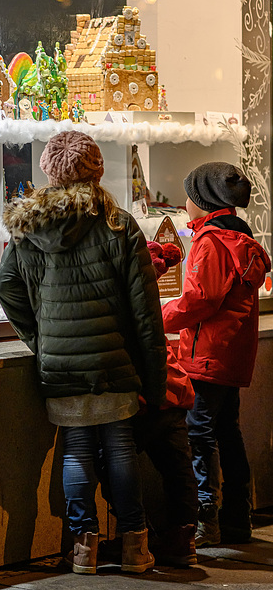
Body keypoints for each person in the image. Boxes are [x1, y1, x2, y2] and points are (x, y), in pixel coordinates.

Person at [0, 130, 167, 575]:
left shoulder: (29, 227)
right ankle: (134, 547)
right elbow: (146, 312)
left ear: (49, 172)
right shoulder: (118, 223)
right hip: (114, 361)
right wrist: (155, 378)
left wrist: (39, 338)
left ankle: (83, 552)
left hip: (62, 364)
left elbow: (5, 284)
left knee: (75, 450)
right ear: (97, 170)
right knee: (121, 449)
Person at [162, 162, 271, 547]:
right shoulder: (241, 238)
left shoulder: (212, 242)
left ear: (204, 201)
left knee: (199, 434)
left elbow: (199, 300)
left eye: (189, 196)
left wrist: (157, 316)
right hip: (232, 355)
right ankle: (237, 517)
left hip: (206, 355)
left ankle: (206, 520)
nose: (184, 204)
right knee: (229, 432)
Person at [97, 241, 198, 568]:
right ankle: (182, 538)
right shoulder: (144, 285)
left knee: (111, 460)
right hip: (171, 389)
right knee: (178, 467)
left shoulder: (120, 288)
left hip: (145, 392)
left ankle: (138, 536)